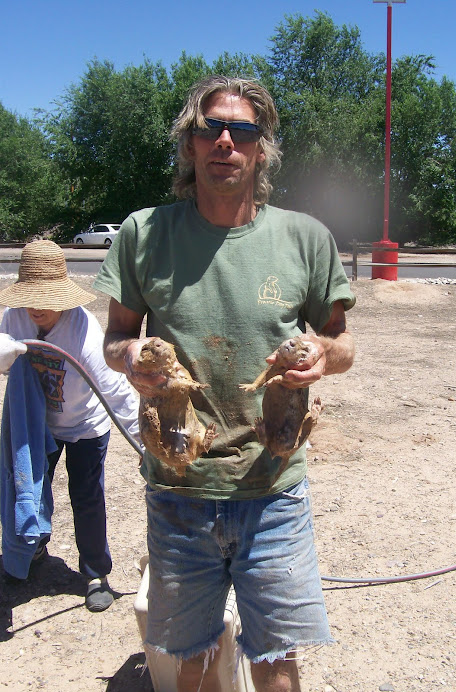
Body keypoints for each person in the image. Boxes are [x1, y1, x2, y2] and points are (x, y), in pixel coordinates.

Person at [93, 75, 356, 690]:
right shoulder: (142, 234)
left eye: (242, 130)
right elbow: (113, 341)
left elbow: (342, 344)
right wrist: (131, 356)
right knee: (192, 661)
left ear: (262, 149)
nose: (225, 141)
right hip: (179, 488)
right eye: (210, 127)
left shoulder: (305, 238)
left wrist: (321, 353)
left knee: (277, 661)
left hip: (275, 490)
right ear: (189, 143)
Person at [0, 240, 140, 612]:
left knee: (86, 496)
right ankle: (32, 549)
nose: (36, 307)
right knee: (28, 484)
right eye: (31, 297)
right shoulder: (14, 316)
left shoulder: (84, 331)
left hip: (83, 426)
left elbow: (117, 394)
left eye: (45, 298)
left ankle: (96, 574)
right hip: (39, 423)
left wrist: (144, 446)